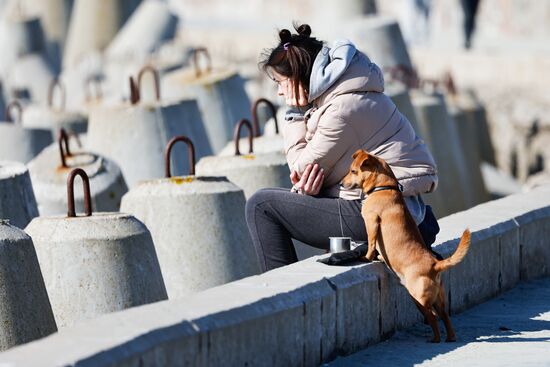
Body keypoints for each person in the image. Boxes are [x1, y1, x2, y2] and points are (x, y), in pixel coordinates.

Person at [246, 24, 440, 272]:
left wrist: (294, 114)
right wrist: (312, 188)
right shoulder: (349, 93)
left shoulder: (341, 109)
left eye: (280, 82)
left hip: (384, 216)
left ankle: (280, 295)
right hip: (399, 211)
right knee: (284, 199)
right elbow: (310, 176)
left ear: (297, 79)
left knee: (261, 206)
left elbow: (299, 168)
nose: (279, 91)